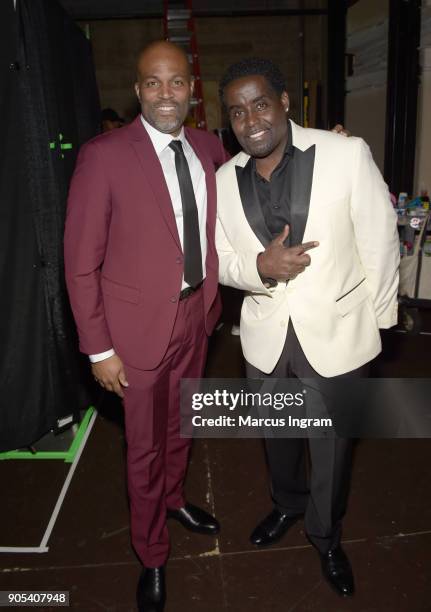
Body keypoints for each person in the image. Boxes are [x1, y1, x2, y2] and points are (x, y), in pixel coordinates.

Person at [215, 58, 399, 597]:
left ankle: (326, 535)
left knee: (333, 447)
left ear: (286, 102)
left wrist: (378, 325)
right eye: (237, 111)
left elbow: (381, 242)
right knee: (278, 439)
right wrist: (258, 269)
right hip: (266, 336)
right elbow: (221, 259)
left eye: (261, 103)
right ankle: (286, 506)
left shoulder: (346, 153)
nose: (251, 120)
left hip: (339, 332)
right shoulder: (225, 180)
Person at [64, 41, 229, 611]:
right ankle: (152, 552)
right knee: (143, 448)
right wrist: (97, 349)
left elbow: (255, 177)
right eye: (153, 83)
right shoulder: (104, 155)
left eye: (177, 82)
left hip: (196, 314)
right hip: (133, 333)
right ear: (137, 91)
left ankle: (176, 498)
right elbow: (80, 261)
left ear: (191, 89)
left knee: (183, 424)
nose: (166, 93)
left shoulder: (209, 147)